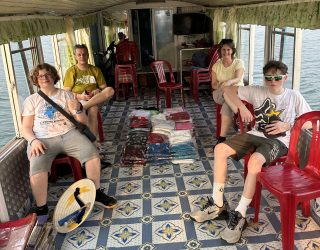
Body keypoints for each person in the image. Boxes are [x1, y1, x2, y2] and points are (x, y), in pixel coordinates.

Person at [190, 60, 312, 243]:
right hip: (255, 134)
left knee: (255, 161)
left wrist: (288, 124)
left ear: (285, 77)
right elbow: (227, 89)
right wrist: (239, 106)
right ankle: (217, 204)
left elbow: (309, 122)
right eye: (269, 77)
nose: (273, 81)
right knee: (220, 149)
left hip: (278, 141)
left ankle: (240, 213)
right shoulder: (257, 90)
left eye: (277, 77)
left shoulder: (294, 96)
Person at [22, 63, 117, 216]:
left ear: (53, 76)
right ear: (36, 80)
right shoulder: (31, 100)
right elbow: (25, 127)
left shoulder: (66, 95)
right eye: (40, 76)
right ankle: (41, 207)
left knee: (92, 155)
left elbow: (82, 122)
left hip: (68, 134)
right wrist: (33, 141)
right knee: (37, 166)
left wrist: (78, 109)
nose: (44, 78)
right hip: (43, 138)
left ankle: (96, 192)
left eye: (47, 74)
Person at [64, 44, 114, 143]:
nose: (82, 57)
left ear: (88, 55)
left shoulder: (95, 70)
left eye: (84, 54)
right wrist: (80, 96)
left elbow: (104, 88)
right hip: (78, 100)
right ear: (75, 56)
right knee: (94, 108)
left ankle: (85, 107)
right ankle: (93, 142)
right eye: (79, 55)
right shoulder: (71, 71)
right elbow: (66, 92)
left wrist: (97, 91)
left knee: (110, 90)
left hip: (94, 98)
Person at [212, 39, 245, 146]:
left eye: (228, 50)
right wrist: (221, 86)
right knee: (225, 93)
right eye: (223, 50)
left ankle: (221, 138)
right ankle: (239, 114)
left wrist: (229, 82)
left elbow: (238, 78)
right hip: (219, 93)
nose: (226, 52)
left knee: (227, 104)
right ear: (220, 51)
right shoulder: (216, 66)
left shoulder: (238, 62)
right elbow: (213, 84)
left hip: (237, 91)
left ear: (232, 50)